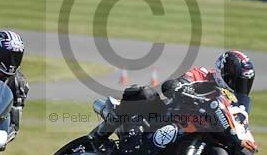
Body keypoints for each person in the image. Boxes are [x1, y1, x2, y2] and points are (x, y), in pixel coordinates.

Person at [89, 50, 255, 145]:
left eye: (243, 82)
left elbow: (241, 122)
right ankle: (98, 137)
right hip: (166, 117)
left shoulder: (237, 101)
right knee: (144, 93)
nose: (238, 85)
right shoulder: (203, 74)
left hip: (198, 131)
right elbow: (175, 84)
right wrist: (179, 86)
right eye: (236, 80)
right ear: (223, 70)